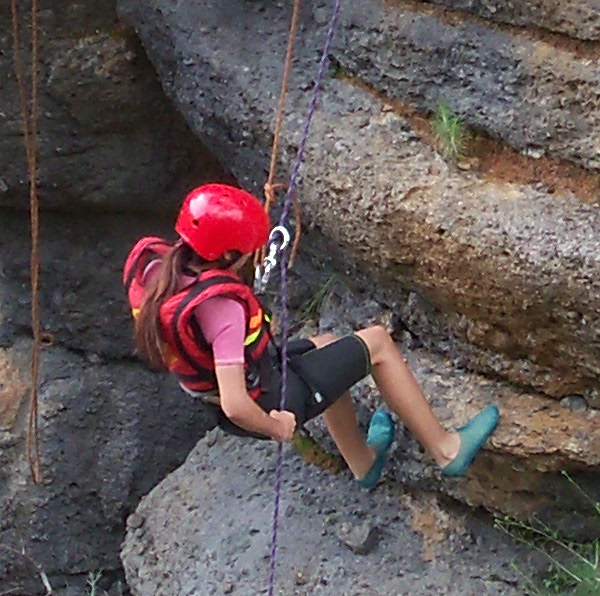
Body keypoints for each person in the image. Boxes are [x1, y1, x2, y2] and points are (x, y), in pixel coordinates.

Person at [126, 182, 498, 486]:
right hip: (266, 399)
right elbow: (236, 405)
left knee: (331, 348)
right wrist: (278, 427)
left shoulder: (157, 271)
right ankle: (447, 450)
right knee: (378, 343)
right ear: (226, 257)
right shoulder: (221, 310)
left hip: (234, 381)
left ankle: (363, 463)